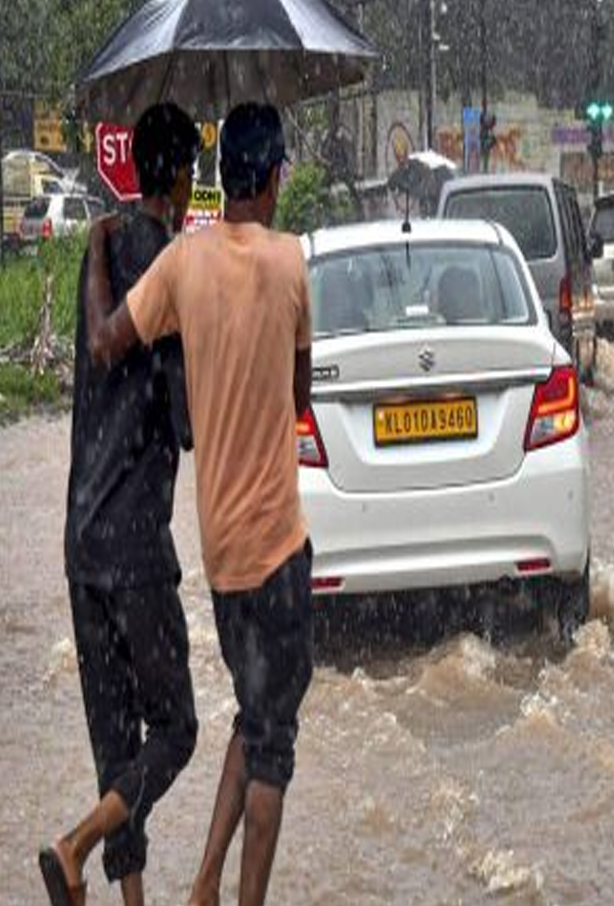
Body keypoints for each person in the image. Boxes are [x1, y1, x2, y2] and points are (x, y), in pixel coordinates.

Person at [85, 102, 314, 906]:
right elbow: (299, 395)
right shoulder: (290, 263)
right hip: (279, 548)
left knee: (253, 713)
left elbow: (109, 338)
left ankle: (205, 884)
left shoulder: (183, 262)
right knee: (274, 742)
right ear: (275, 175)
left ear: (217, 178)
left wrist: (98, 252)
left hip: (218, 557)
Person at [39, 103, 201, 906]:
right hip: (137, 545)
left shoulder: (97, 254)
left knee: (116, 738)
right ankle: (75, 841)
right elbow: (187, 423)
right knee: (177, 730)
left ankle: (123, 895)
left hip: (81, 538)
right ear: (180, 176)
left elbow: (100, 355)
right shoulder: (172, 269)